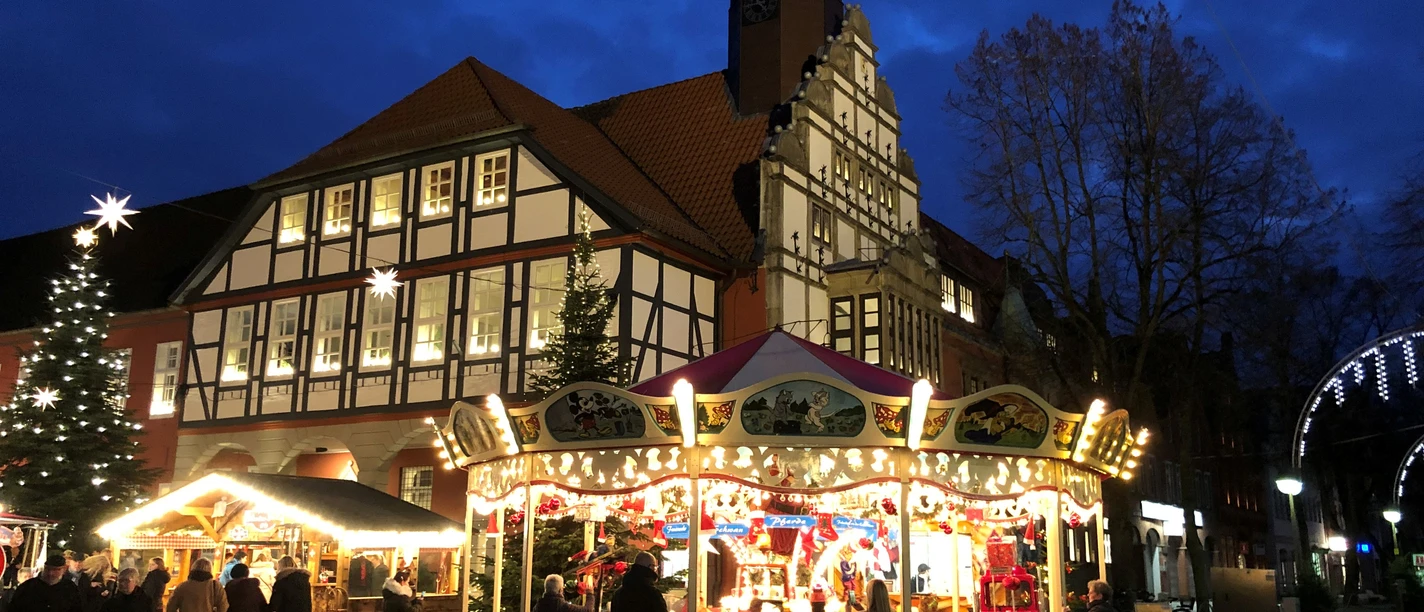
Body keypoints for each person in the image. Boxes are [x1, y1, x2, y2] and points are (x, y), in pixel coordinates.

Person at [10, 555, 82, 612]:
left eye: (56, 570)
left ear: (64, 569)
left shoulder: (70, 588)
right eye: (48, 569)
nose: (50, 573)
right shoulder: (28, 587)